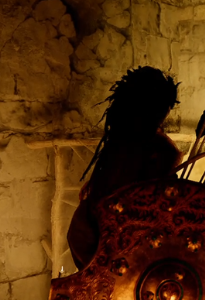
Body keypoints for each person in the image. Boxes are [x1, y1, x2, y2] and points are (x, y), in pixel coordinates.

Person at [67, 66, 183, 270]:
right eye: (165, 108)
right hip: (109, 244)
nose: (166, 114)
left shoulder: (128, 144)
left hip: (110, 242)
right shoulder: (147, 148)